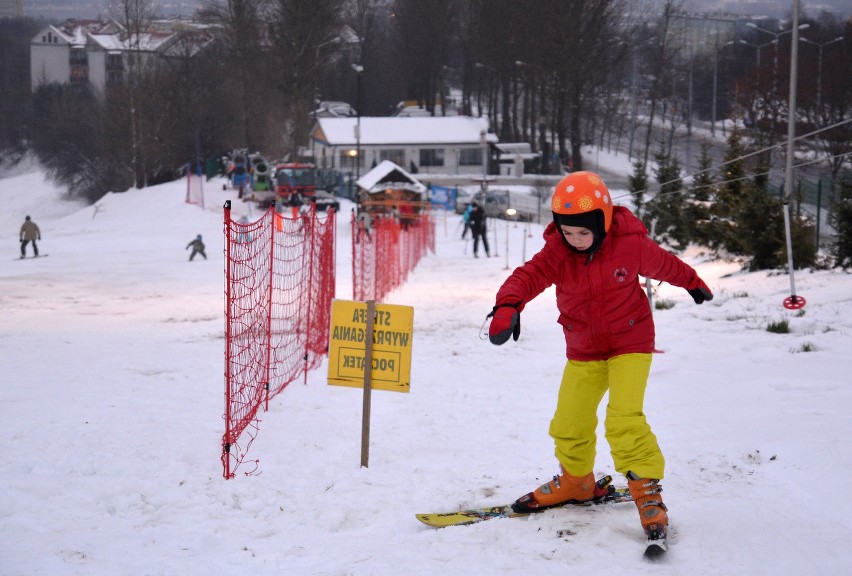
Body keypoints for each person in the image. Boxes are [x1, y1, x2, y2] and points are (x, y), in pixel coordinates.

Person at [486, 171, 713, 545]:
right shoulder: (558, 252)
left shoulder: (630, 246)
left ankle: (646, 489)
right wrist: (508, 304)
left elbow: (665, 264)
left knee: (624, 419)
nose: (574, 240)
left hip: (631, 342)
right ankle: (576, 481)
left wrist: (691, 281)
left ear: (604, 223)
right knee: (568, 420)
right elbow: (527, 276)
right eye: (567, 232)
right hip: (584, 348)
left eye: (583, 233)